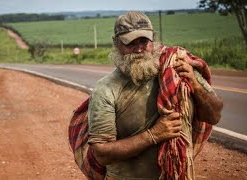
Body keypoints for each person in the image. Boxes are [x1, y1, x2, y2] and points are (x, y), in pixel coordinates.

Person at [87, 11, 223, 180]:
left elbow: (214, 115)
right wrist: (153, 135)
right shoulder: (106, 88)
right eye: (130, 43)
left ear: (153, 39)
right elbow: (101, 153)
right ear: (116, 43)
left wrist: (194, 83)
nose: (138, 49)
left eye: (144, 41)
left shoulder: (177, 68)